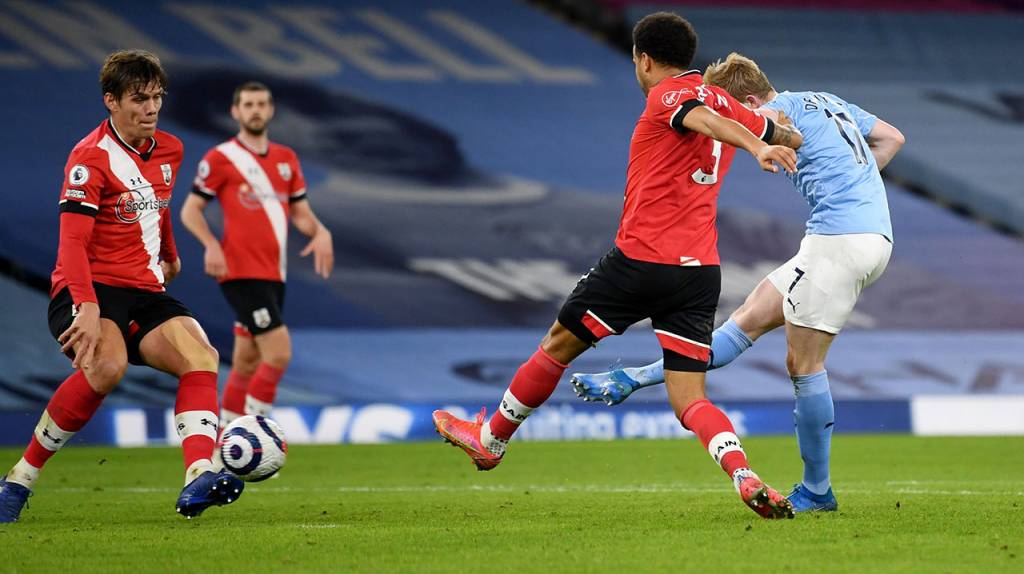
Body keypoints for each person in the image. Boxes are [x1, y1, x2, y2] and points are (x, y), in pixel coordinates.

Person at [433, 14, 802, 519]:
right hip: (698, 273)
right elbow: (780, 131)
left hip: (640, 260)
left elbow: (704, 119)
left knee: (558, 346)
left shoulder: (669, 95)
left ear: (643, 60)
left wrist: (759, 146)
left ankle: (491, 440)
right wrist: (783, 133)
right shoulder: (731, 104)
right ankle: (743, 472)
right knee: (690, 398)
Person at [571, 53, 905, 513]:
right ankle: (635, 377)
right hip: (864, 237)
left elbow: (731, 129)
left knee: (804, 366)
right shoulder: (824, 99)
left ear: (747, 99)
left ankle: (816, 491)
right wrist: (857, 186)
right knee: (744, 322)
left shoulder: (772, 115)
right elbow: (891, 137)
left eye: (731, 106)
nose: (732, 115)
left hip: (839, 242)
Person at [0, 50, 244, 522]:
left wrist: (170, 253)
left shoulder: (170, 150)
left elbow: (160, 205)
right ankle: (18, 480)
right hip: (86, 287)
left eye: (157, 98)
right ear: (111, 101)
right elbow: (71, 242)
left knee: (203, 356)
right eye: (139, 99)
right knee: (107, 367)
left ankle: (198, 475)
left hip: (144, 288)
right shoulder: (89, 159)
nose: (151, 108)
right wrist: (87, 307)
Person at [180, 81, 333, 425]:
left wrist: (320, 231)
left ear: (271, 110)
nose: (255, 110)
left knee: (247, 361)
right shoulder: (221, 158)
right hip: (240, 273)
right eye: (248, 104)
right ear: (235, 112)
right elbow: (191, 210)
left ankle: (225, 444)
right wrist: (211, 244)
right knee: (278, 353)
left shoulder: (285, 159)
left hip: (273, 274)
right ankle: (261, 437)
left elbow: (301, 214)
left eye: (261, 104)